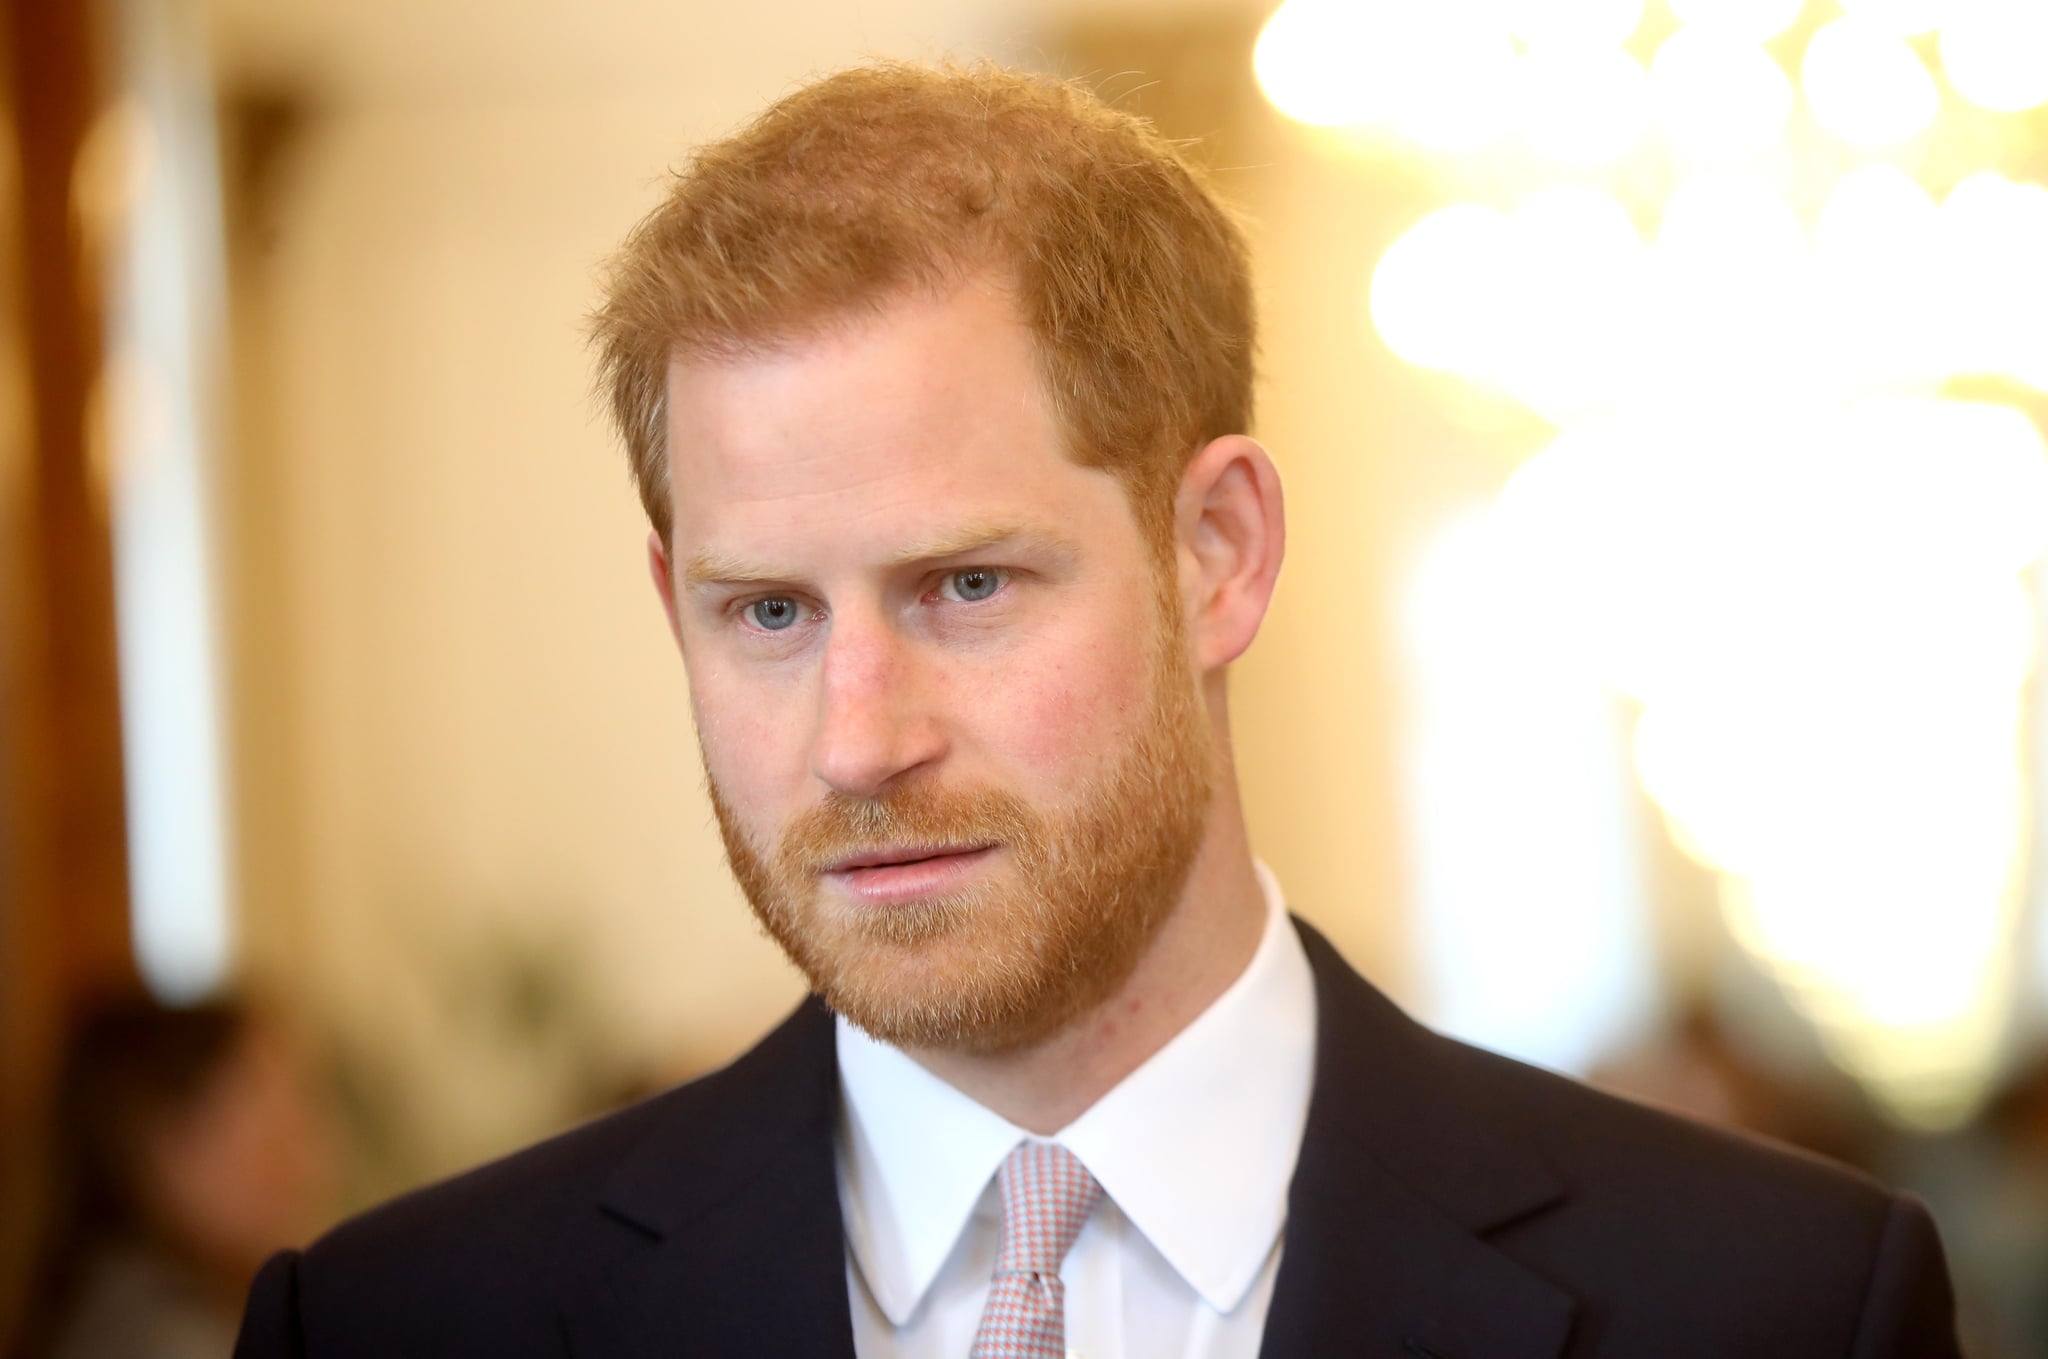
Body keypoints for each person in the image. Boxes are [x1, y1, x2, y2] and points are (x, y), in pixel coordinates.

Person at [234, 61, 1960, 1358]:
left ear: (1214, 553)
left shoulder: (1772, 1302)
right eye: (764, 611)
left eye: (963, 587)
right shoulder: (401, 1322)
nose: (855, 737)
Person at [12, 997, 331, 1359]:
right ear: (171, 1143)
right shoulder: (168, 1338)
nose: (315, 1162)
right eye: (277, 1140)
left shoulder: (110, 1301)